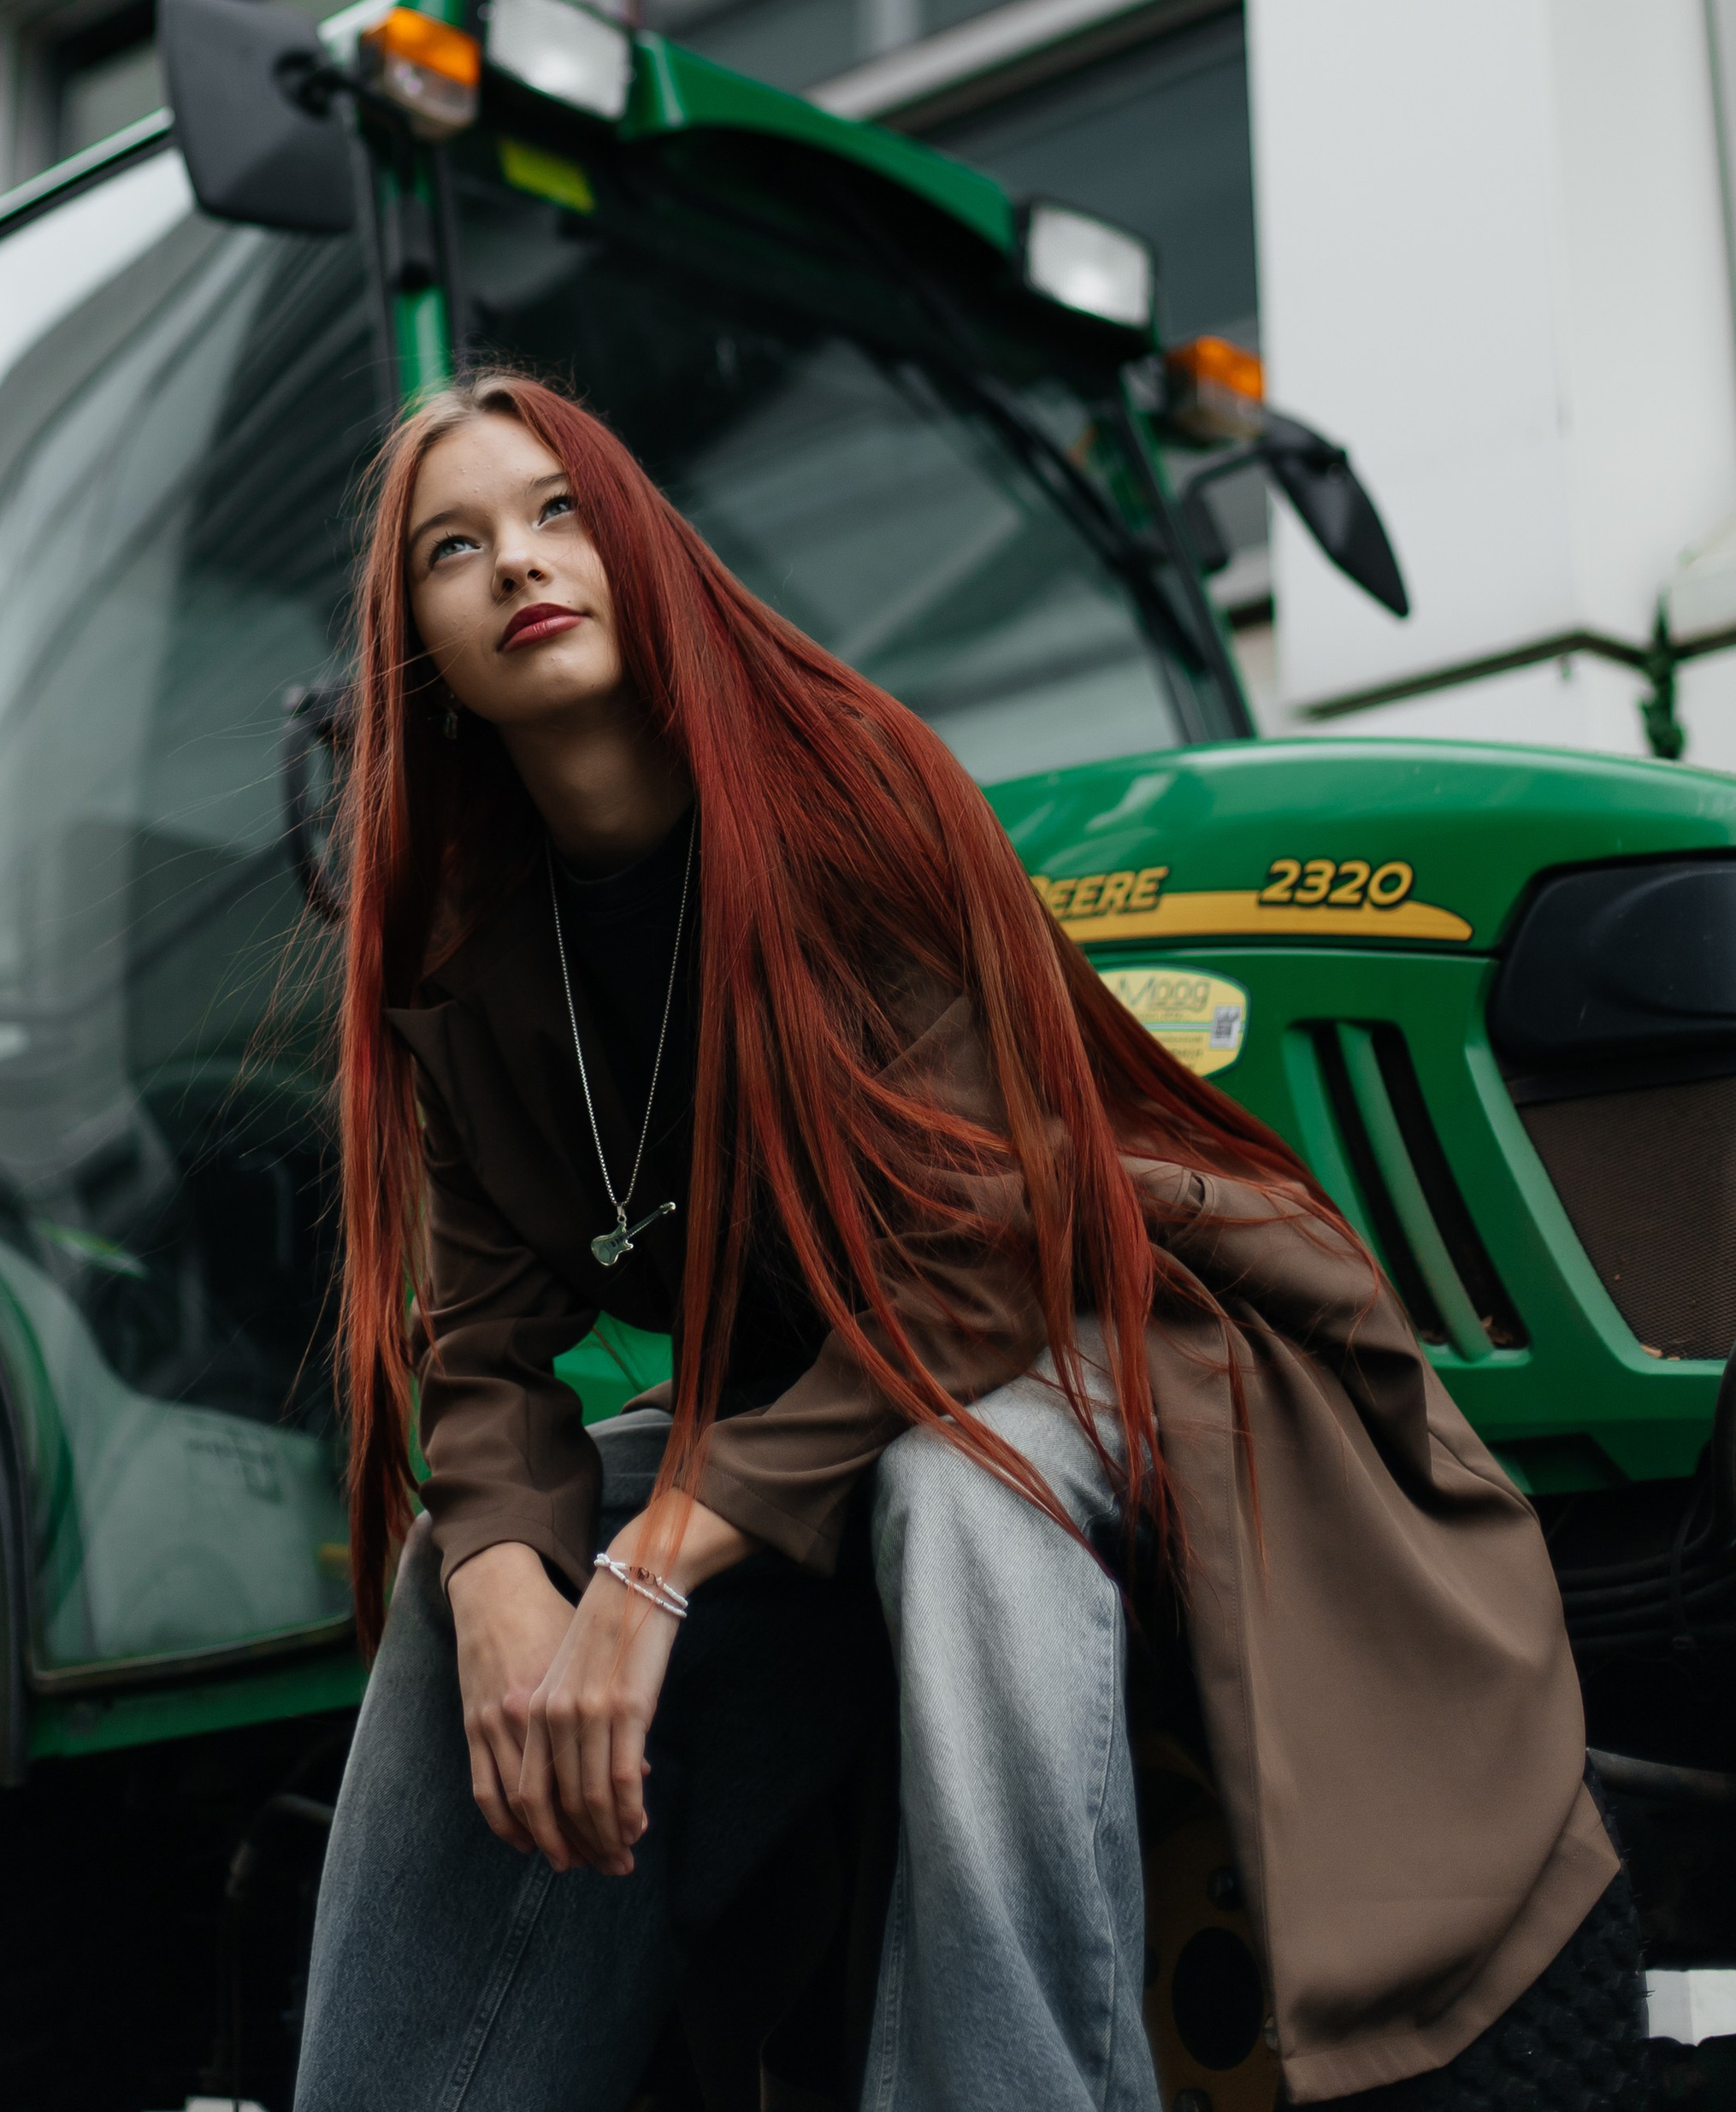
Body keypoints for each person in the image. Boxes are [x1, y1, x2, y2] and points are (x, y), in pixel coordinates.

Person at [292, 372, 1622, 2112]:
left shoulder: (849, 800)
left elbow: (980, 1261)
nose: (518, 564)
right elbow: (477, 1355)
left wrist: (655, 1565)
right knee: (465, 1575)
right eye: (451, 549)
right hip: (802, 1414)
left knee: (960, 1489)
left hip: (1075, 1328)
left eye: (555, 511)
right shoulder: (465, 964)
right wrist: (497, 1587)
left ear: (635, 544)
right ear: (415, 652)